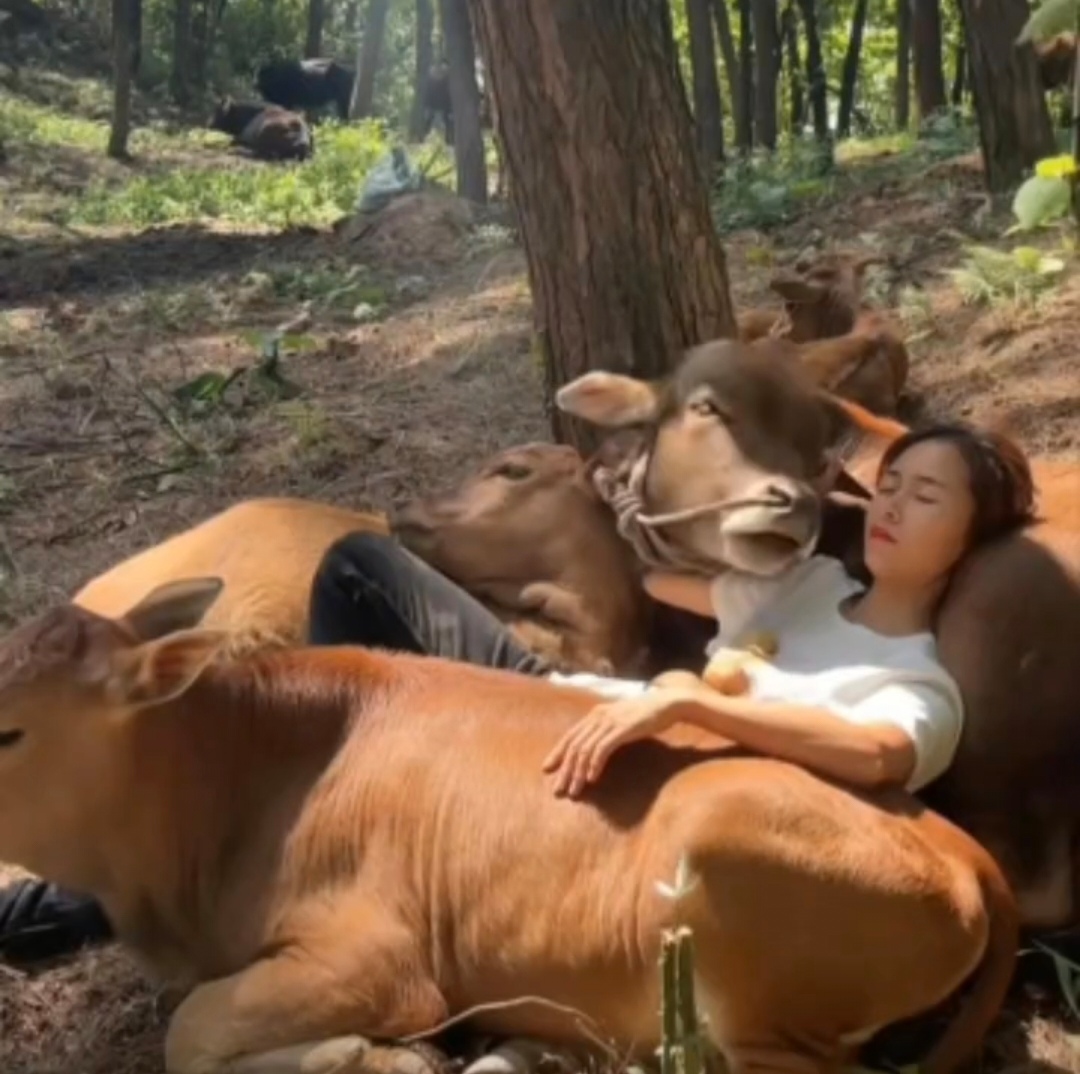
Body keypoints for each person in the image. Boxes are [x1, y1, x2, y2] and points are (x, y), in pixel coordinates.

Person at [0, 422, 1036, 965]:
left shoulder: (917, 681)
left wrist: (687, 704)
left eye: (925, 494)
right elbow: (650, 576)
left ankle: (174, 883)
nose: (894, 504)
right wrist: (643, 508)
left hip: (595, 773)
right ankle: (260, 836)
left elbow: (878, 761)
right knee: (361, 568)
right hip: (554, 699)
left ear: (973, 541)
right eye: (890, 483)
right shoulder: (813, 582)